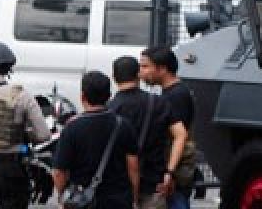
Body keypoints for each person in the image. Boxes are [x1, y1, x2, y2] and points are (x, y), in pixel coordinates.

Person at [0, 41, 51, 209]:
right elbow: (43, 134)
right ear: (8, 68)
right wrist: (25, 134)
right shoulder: (22, 95)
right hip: (11, 166)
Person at [53, 70, 139, 209]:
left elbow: (59, 172)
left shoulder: (72, 128)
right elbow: (133, 167)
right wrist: (134, 199)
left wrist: (63, 198)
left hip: (83, 201)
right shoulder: (123, 125)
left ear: (82, 96)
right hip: (118, 200)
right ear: (109, 96)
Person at [108, 55, 170, 209]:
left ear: (114, 77)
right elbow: (178, 135)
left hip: (119, 187)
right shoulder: (158, 103)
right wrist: (170, 172)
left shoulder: (109, 110)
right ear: (138, 75)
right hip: (154, 182)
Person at [139, 45, 195, 209]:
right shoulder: (172, 92)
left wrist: (170, 174)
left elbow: (179, 139)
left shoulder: (176, 96)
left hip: (175, 177)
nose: (141, 71)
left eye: (145, 66)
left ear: (162, 68)